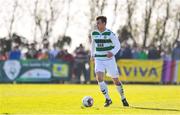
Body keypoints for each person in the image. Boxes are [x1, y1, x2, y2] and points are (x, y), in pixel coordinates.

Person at [90, 16, 129, 107]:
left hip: (109, 60)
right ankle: (108, 99)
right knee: (99, 78)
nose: (97, 24)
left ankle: (123, 98)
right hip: (99, 59)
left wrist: (112, 52)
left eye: (99, 22)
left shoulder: (110, 33)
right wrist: (92, 55)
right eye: (97, 23)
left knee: (116, 80)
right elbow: (93, 44)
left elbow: (118, 45)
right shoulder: (94, 33)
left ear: (104, 23)